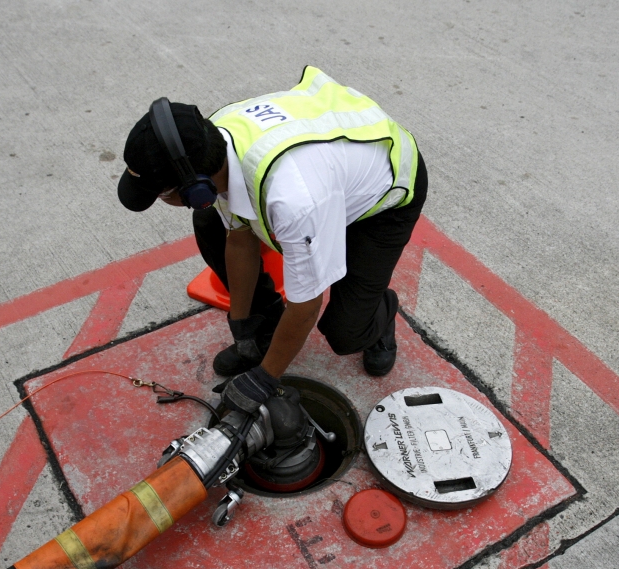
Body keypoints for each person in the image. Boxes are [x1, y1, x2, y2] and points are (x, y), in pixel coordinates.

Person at [117, 67, 427, 415]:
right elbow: (239, 239)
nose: (163, 201)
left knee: (346, 333)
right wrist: (242, 324)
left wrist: (264, 379)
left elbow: (307, 305)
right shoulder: (214, 143)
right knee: (209, 221)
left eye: (162, 194)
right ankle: (262, 331)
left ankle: (380, 314)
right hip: (327, 177)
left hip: (383, 194)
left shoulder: (293, 199)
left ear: (196, 184)